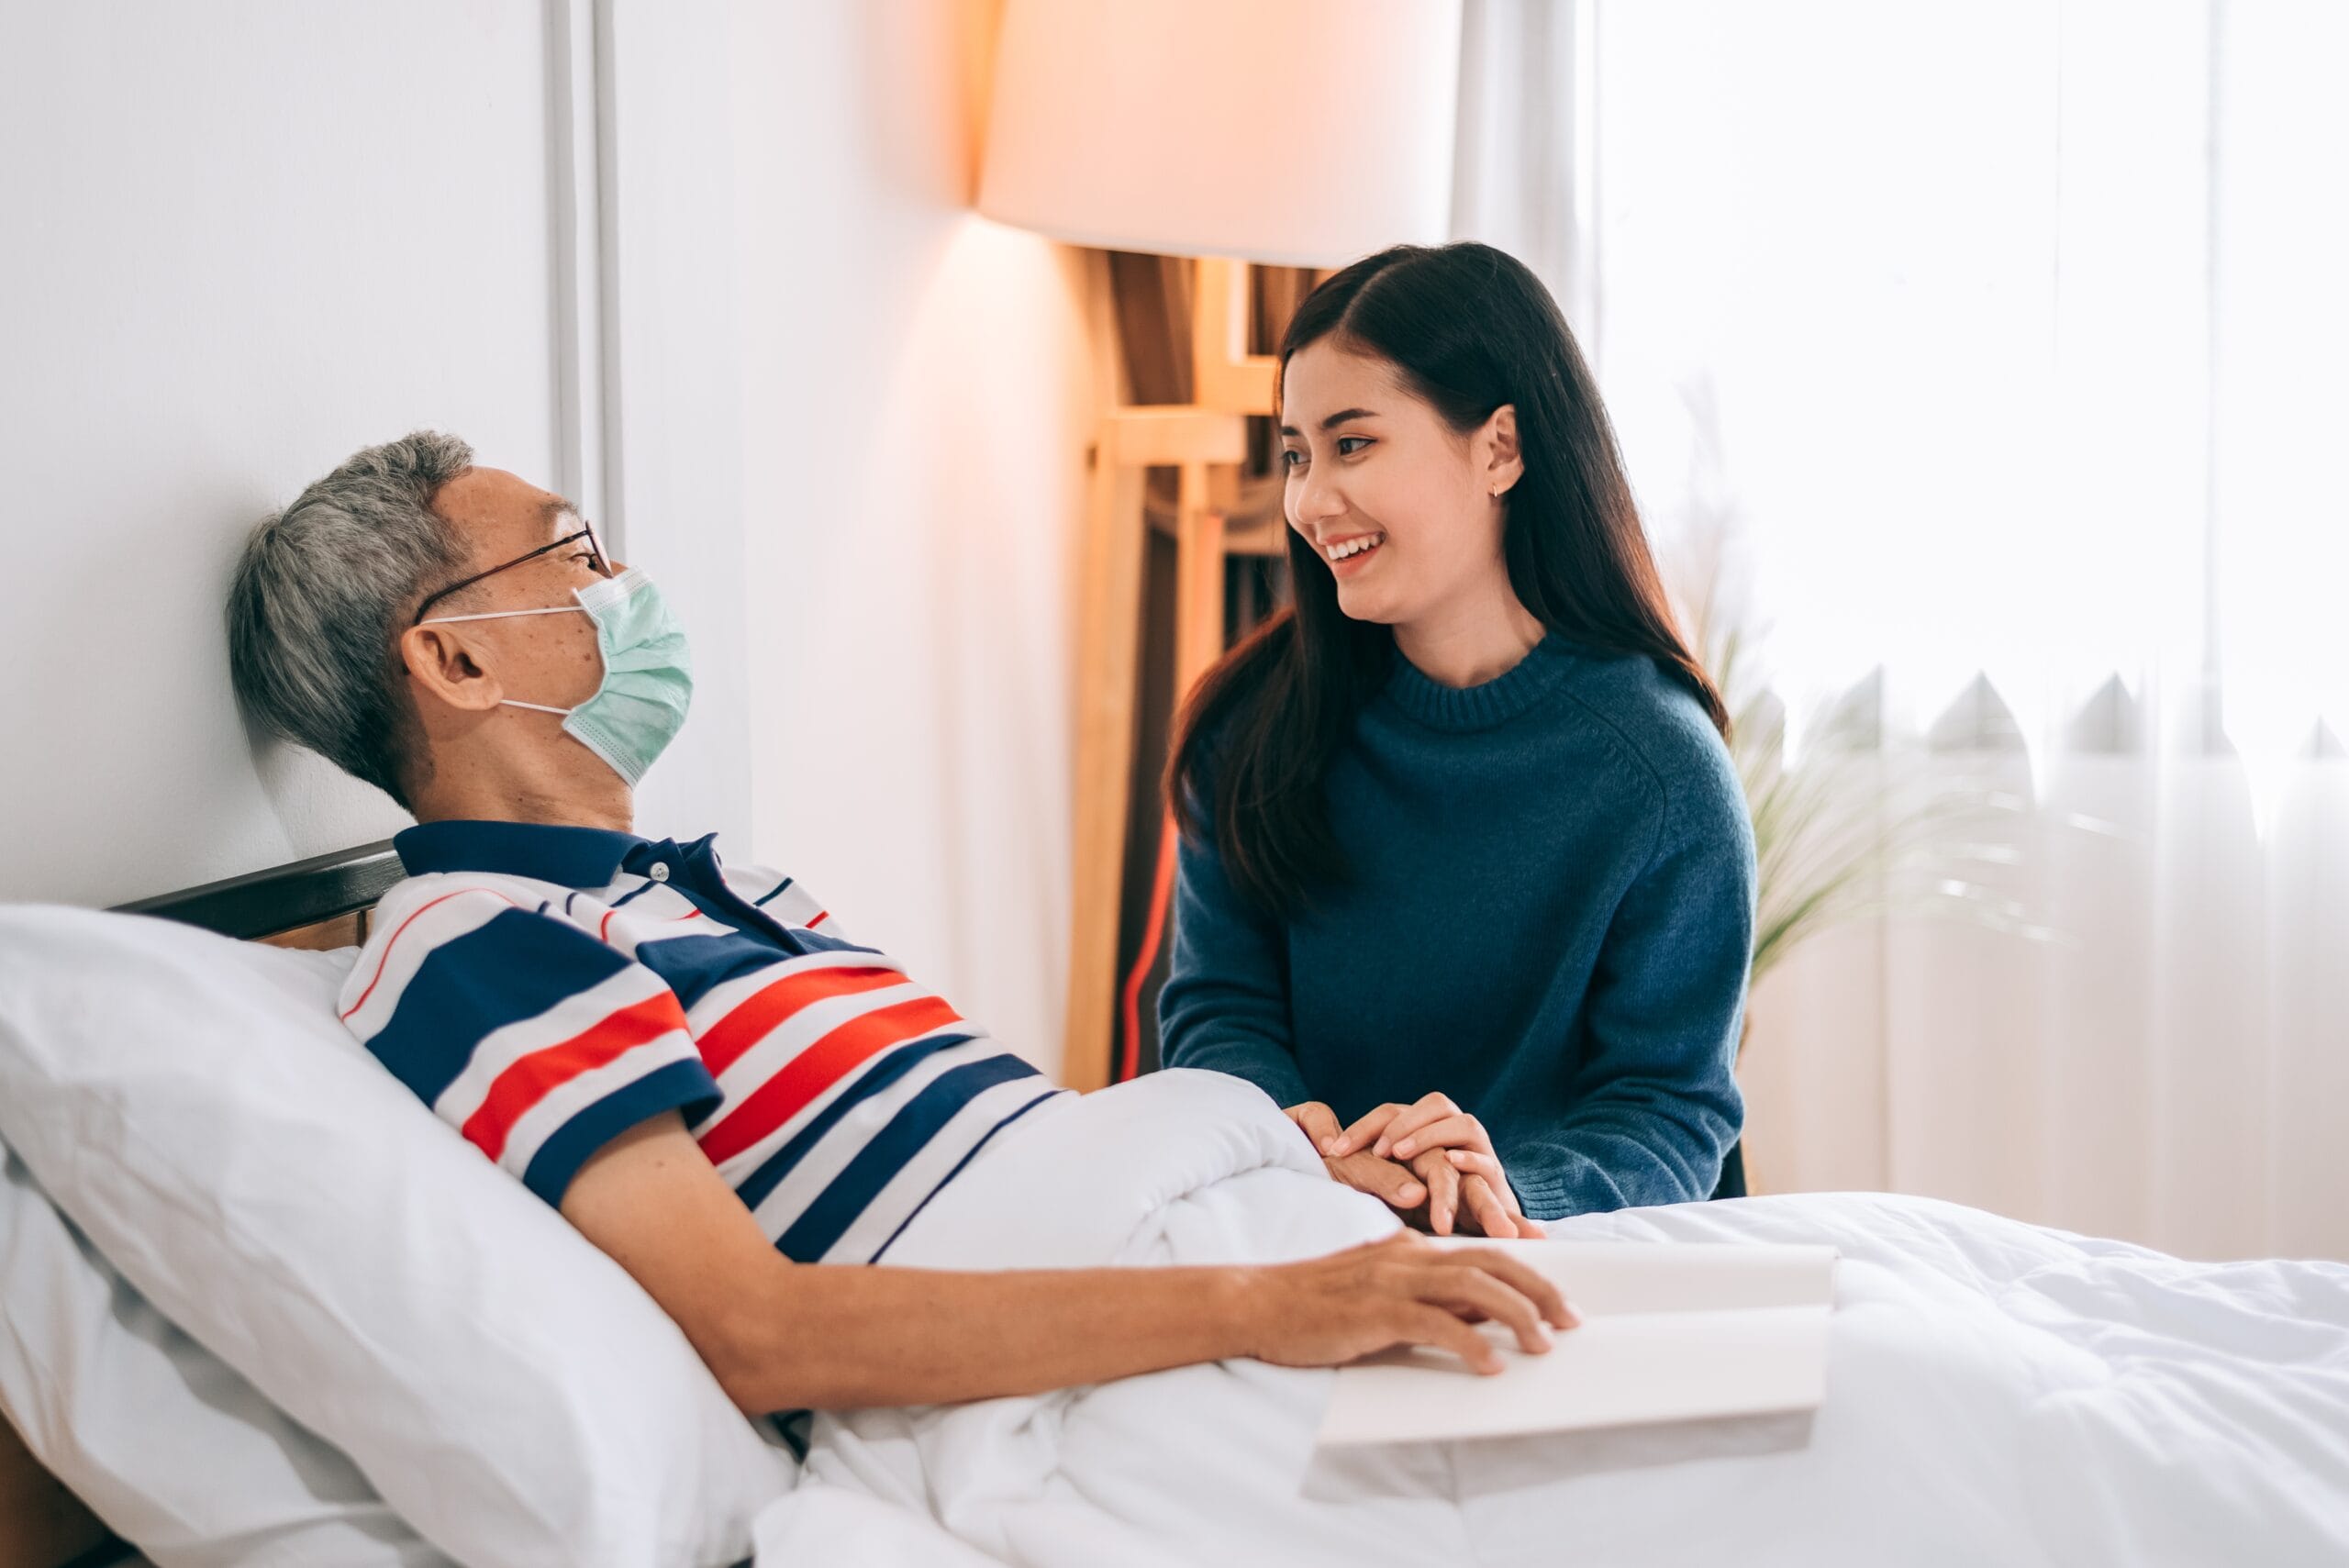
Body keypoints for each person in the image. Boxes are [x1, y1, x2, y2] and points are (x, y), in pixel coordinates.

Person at [223, 430, 1574, 1417]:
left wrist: (1307, 1166)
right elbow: (759, 1333)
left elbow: (1025, 1155)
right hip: (1138, 1360)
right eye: (574, 550)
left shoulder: (715, 884)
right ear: (455, 661)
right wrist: (1273, 1304)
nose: (622, 576)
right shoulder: (470, 932)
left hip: (1204, 1250)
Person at [1159, 242, 1755, 1238]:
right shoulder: (1249, 728)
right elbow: (1219, 1012)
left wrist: (1502, 1189)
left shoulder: (1660, 775)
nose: (1307, 501)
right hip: (1298, 1233)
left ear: (1500, 448)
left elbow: (1668, 1109)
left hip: (1555, 1259)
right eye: (1296, 452)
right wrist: (1295, 1143)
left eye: (1352, 445)